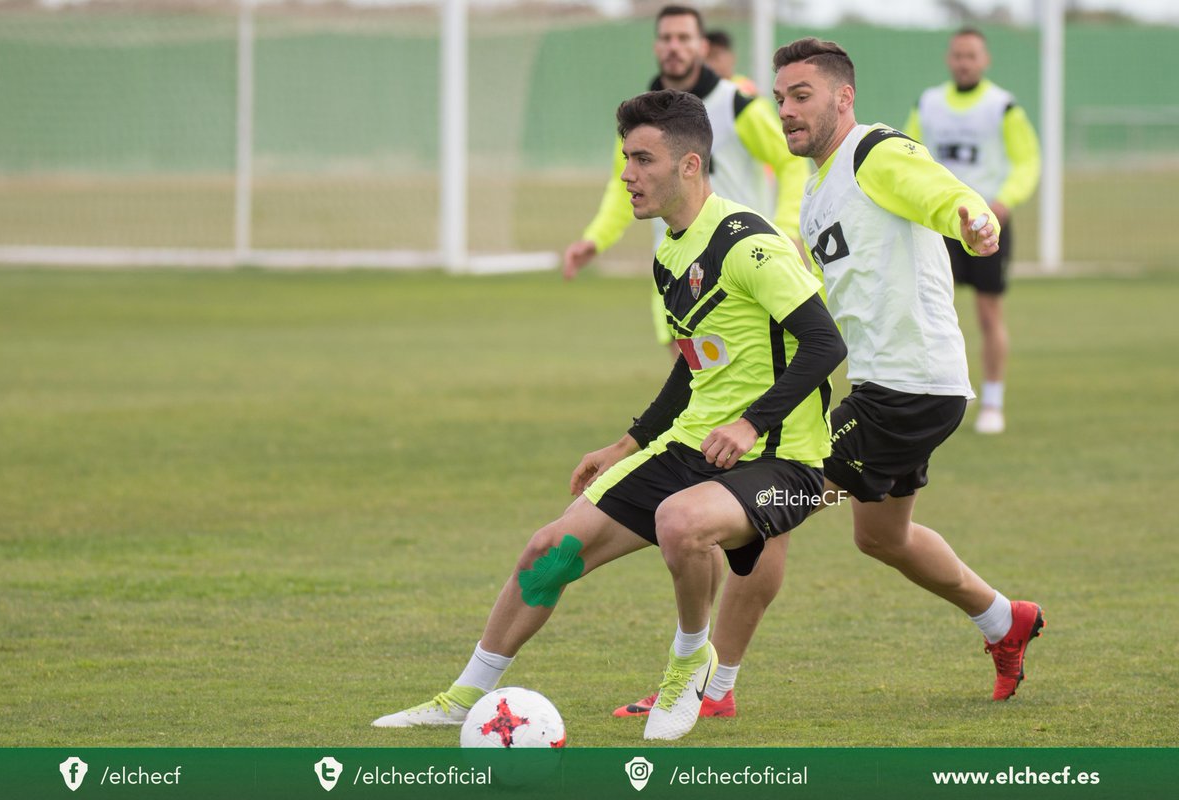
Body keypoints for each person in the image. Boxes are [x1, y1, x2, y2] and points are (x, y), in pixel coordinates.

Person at [373, 89, 846, 742]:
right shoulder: (670, 254)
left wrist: (750, 424)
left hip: (781, 459)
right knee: (550, 549)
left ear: (689, 166)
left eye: (642, 159)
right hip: (692, 446)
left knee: (680, 523)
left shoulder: (749, 242)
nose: (626, 174)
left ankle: (689, 663)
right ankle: (463, 696)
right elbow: (692, 365)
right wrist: (626, 444)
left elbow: (825, 343)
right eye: (625, 157)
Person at [612, 37, 1045, 719]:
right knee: (881, 536)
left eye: (802, 95)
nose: (786, 109)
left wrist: (973, 216)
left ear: (843, 98)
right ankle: (1004, 621)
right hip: (890, 390)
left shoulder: (876, 152)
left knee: (769, 503)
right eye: (781, 97)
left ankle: (709, 689)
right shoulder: (817, 190)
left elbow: (939, 191)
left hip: (908, 387)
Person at [562, 5, 808, 357]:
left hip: (741, 270)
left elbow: (790, 162)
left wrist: (787, 230)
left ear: (702, 47)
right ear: (655, 47)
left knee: (749, 386)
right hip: (675, 270)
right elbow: (622, 188)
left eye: (683, 38)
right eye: (666, 38)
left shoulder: (736, 105)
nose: (674, 46)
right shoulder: (638, 118)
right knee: (696, 388)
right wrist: (595, 240)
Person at [904, 28, 1041, 435]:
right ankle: (921, 399)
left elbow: (1027, 160)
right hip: (937, 225)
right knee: (924, 312)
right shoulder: (927, 103)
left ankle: (993, 403)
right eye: (958, 55)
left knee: (987, 314)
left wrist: (1005, 201)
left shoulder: (1003, 107)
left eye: (972, 55)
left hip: (985, 223)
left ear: (985, 60)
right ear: (950, 59)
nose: (964, 62)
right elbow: (908, 155)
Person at [705, 29, 756, 94]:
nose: (710, 63)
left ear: (732, 57)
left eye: (715, 56)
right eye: (706, 57)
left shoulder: (745, 90)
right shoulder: (699, 89)